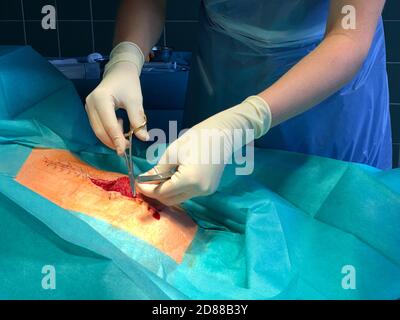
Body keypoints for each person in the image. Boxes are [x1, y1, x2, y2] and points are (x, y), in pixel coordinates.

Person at [85, 0, 390, 206]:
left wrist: (243, 121)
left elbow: (348, 37)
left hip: (326, 86)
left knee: (326, 223)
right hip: (224, 66)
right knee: (208, 214)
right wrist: (126, 58)